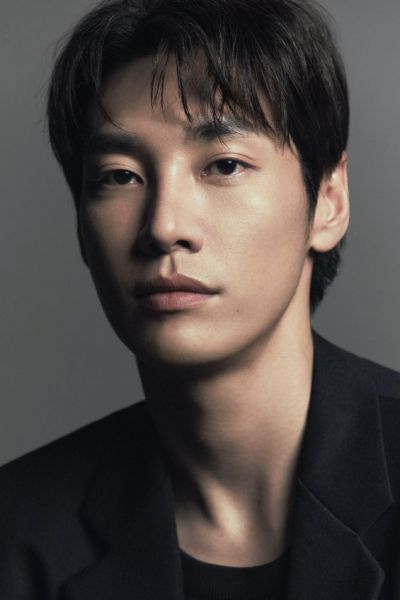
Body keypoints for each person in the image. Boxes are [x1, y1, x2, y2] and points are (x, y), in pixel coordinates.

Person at [0, 0, 399, 598]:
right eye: (119, 175)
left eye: (224, 165)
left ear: (328, 201)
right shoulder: (17, 532)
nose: (164, 227)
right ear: (81, 227)